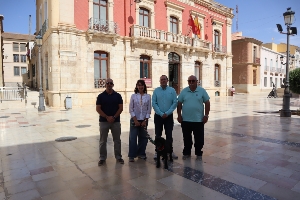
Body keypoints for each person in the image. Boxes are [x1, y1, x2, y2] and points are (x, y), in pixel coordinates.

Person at [177, 75, 210, 161]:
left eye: (193, 81)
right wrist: (179, 116)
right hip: (186, 120)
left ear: (196, 81)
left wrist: (206, 115)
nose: (191, 83)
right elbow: (179, 103)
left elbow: (207, 102)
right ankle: (187, 153)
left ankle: (199, 153)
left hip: (198, 120)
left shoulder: (202, 91)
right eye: (189, 81)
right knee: (187, 138)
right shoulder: (184, 91)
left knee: (199, 138)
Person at [96, 78, 124, 166]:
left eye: (110, 83)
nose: (109, 84)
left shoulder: (118, 96)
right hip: (104, 121)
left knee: (117, 140)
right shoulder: (100, 96)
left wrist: (114, 117)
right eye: (107, 83)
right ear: (105, 84)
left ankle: (118, 157)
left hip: (115, 121)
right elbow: (98, 108)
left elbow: (121, 108)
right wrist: (107, 117)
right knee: (102, 141)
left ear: (113, 84)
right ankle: (102, 158)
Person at [152, 75, 178, 159]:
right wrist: (160, 113)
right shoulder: (156, 91)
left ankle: (170, 151)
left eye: (164, 79)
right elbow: (154, 103)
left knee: (169, 135)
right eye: (161, 80)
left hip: (168, 116)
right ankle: (157, 152)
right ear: (159, 81)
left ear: (167, 80)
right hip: (158, 116)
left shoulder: (172, 90)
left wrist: (167, 113)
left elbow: (174, 102)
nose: (163, 81)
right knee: (158, 135)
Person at [128, 80, 151, 162]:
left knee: (143, 138)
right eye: (139, 85)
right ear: (137, 86)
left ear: (144, 86)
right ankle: (132, 155)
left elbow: (149, 109)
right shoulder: (133, 96)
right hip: (135, 119)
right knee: (133, 137)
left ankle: (141, 153)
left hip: (144, 120)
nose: (140, 87)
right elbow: (131, 109)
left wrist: (145, 120)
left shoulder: (148, 96)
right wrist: (135, 120)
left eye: (142, 85)